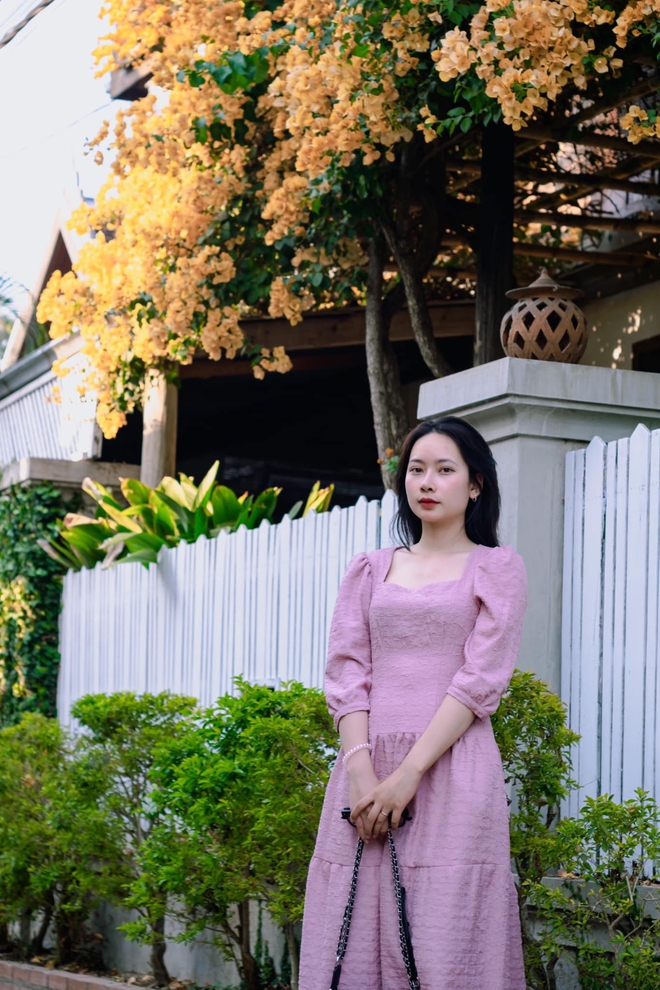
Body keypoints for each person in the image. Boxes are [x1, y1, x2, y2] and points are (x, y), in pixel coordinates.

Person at [297, 415, 529, 990]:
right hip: (365, 769)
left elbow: (480, 680)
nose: (427, 481)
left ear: (475, 484)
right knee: (352, 933)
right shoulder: (371, 569)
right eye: (417, 469)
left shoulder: (496, 569)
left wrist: (408, 774)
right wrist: (361, 772)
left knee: (443, 932)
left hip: (452, 766)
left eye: (445, 469)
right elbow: (347, 671)